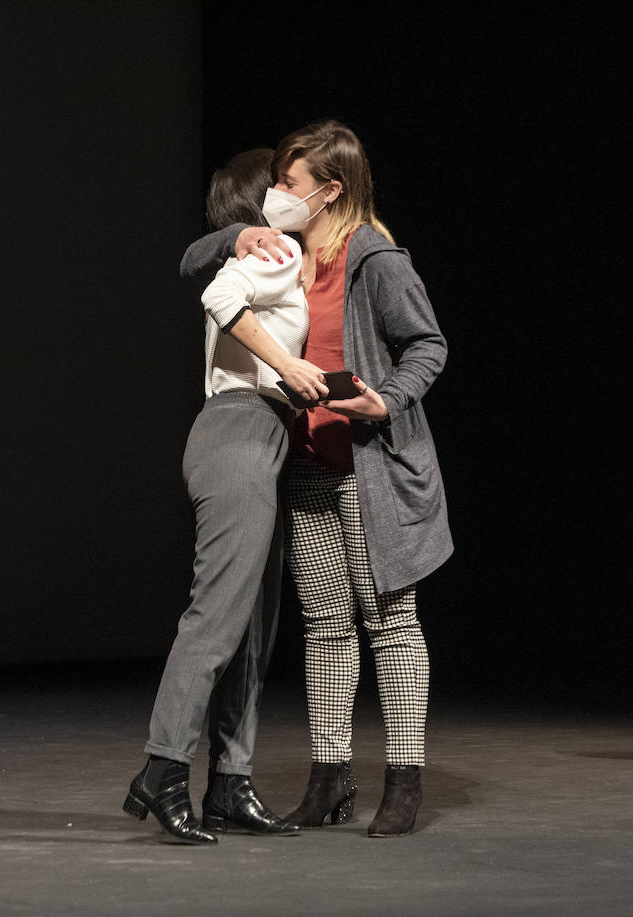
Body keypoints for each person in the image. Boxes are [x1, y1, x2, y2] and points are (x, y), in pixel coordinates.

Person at [180, 121, 452, 838]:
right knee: (327, 625)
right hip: (308, 461)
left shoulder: (376, 257)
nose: (276, 195)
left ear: (330, 191)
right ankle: (330, 778)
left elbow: (428, 344)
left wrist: (385, 398)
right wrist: (234, 240)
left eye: (289, 184)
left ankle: (404, 778)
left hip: (370, 464)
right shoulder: (290, 254)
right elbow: (202, 263)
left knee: (390, 622)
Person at [124, 148, 331, 844]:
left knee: (254, 628)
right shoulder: (265, 252)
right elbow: (212, 289)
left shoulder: (275, 257)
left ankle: (232, 784)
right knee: (217, 617)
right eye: (275, 181)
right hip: (240, 432)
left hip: (259, 440)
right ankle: (163, 768)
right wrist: (290, 366)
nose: (284, 191)